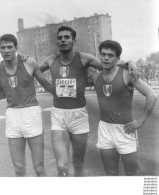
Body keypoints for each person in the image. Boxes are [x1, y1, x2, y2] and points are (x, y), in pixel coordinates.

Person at [39, 26, 139, 176]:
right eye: (60, 38)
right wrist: (47, 86)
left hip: (79, 116)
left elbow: (108, 65)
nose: (63, 40)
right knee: (62, 165)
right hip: (58, 115)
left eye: (67, 37)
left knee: (78, 164)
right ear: (57, 42)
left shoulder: (84, 58)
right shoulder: (51, 60)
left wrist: (129, 62)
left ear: (74, 41)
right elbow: (31, 70)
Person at [0, 34, 54, 176]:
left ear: (16, 48)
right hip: (12, 116)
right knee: (19, 169)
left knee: (39, 168)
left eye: (10, 47)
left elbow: (46, 85)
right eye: (3, 47)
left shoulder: (29, 62)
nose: (6, 50)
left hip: (31, 113)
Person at [90, 40, 157, 175]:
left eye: (110, 55)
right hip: (105, 129)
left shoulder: (127, 75)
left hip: (125, 130)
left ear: (118, 58)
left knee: (131, 174)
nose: (106, 58)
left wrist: (141, 122)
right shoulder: (95, 77)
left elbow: (152, 95)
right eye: (103, 54)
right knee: (111, 174)